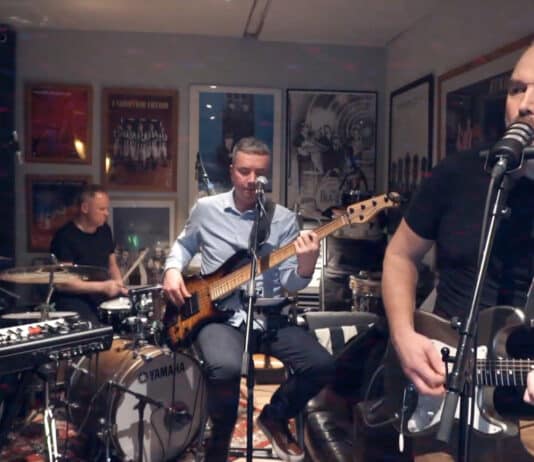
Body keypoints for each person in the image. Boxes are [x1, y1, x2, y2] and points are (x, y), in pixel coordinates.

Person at [382, 43, 534, 461]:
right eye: (517, 89)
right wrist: (404, 335)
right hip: (443, 383)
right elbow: (400, 256)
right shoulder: (459, 172)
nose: (525, 105)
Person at [163, 137, 335, 462]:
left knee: (322, 365)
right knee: (224, 368)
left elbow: (290, 282)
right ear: (232, 171)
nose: (252, 180)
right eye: (244, 171)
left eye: (260, 173)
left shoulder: (283, 219)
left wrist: (307, 264)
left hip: (272, 316)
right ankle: (218, 441)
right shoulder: (207, 210)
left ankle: (275, 416)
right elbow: (184, 245)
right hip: (220, 316)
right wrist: (172, 270)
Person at [50, 184, 127, 323]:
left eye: (107, 209)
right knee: (93, 326)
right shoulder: (65, 237)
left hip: (101, 295)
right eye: (101, 209)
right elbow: (64, 283)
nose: (107, 213)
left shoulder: (105, 230)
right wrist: (103, 287)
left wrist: (119, 284)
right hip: (74, 300)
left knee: (130, 314)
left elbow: (112, 265)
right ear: (85, 208)